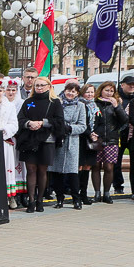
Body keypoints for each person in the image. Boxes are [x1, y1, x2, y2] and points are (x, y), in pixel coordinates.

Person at [14, 77, 65, 213]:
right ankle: (31, 201)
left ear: (49, 86)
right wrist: (29, 123)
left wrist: (43, 122)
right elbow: (20, 119)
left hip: (46, 140)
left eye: (42, 85)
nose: (39, 88)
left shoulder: (55, 102)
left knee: (42, 170)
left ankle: (40, 200)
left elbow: (60, 121)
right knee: (31, 170)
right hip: (29, 139)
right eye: (37, 85)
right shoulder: (28, 102)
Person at [49, 80, 87, 209]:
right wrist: (59, 128)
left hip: (72, 142)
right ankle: (59, 198)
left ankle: (77, 199)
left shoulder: (80, 106)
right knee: (57, 171)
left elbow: (83, 126)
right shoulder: (57, 103)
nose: (70, 93)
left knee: (72, 172)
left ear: (77, 93)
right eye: (68, 90)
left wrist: (70, 128)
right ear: (64, 91)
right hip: (58, 140)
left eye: (73, 91)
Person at [91, 82, 128, 204]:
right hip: (97, 139)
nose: (109, 93)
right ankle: (97, 193)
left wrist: (117, 106)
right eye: (106, 90)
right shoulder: (95, 103)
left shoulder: (116, 104)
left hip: (111, 139)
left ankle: (107, 193)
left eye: (111, 91)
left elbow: (124, 120)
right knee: (96, 166)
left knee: (108, 167)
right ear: (101, 90)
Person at [0, 78, 20, 209]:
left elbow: (14, 124)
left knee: (7, 169)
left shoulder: (9, 106)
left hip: (5, 140)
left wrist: (5, 131)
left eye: (0, 91)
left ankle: (10, 197)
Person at [113, 75, 134, 195]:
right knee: (116, 162)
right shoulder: (116, 98)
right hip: (119, 134)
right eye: (129, 84)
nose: (132, 86)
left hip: (133, 134)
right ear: (122, 85)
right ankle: (118, 185)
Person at [77, 84, 102, 205]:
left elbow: (101, 122)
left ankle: (84, 194)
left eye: (92, 92)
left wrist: (96, 133)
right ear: (82, 93)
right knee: (79, 167)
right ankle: (76, 194)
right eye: (87, 92)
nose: (90, 95)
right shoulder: (79, 105)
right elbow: (81, 122)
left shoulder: (96, 106)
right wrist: (89, 133)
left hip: (92, 141)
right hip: (81, 139)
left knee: (88, 167)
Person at [5, 78, 28, 206]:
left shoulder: (21, 103)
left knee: (19, 166)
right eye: (8, 89)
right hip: (6, 138)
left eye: (13, 90)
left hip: (18, 139)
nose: (11, 92)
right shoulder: (0, 102)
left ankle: (20, 194)